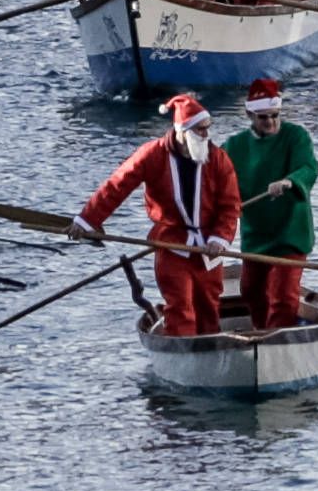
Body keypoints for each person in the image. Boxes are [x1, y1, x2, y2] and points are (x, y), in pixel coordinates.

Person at [78, 90, 248, 335]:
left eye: (207, 128)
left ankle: (212, 349)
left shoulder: (218, 159)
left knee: (209, 306)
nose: (206, 135)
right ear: (182, 132)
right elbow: (118, 185)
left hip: (209, 246)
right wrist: (88, 220)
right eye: (200, 130)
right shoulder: (152, 155)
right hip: (172, 244)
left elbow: (230, 206)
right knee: (180, 307)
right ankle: (185, 353)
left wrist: (220, 238)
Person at [220, 71, 318, 330]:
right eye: (264, 118)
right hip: (256, 236)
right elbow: (215, 183)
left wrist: (290, 181)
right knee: (250, 290)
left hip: (291, 235)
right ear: (250, 116)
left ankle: (274, 340)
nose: (271, 123)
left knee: (283, 295)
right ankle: (261, 332)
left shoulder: (296, 136)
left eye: (275, 116)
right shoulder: (234, 146)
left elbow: (309, 167)